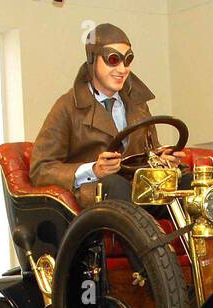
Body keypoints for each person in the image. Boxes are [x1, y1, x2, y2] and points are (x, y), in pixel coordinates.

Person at [29, 22, 189, 209]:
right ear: (92, 59)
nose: (122, 69)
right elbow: (41, 169)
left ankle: (198, 239)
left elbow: (150, 150)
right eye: (113, 60)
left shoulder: (138, 105)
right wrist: (94, 170)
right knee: (114, 184)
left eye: (127, 60)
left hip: (142, 189)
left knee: (194, 184)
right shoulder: (67, 106)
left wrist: (164, 161)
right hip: (100, 196)